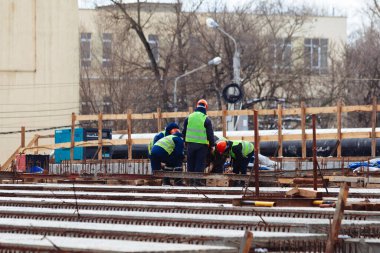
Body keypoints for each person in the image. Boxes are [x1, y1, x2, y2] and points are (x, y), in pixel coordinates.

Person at [182, 99, 215, 186]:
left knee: (190, 163)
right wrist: (212, 145)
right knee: (199, 163)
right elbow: (210, 134)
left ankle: (191, 182)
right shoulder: (206, 119)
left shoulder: (189, 117)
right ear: (206, 107)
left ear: (197, 106)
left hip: (190, 145)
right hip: (201, 145)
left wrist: (185, 141)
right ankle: (197, 182)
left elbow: (184, 131)